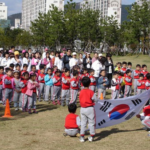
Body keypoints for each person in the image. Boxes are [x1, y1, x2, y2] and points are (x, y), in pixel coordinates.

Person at [79, 77, 97, 142]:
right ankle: (91, 136)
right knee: (91, 122)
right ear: (89, 83)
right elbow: (95, 99)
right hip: (90, 108)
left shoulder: (81, 91)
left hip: (82, 108)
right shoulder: (91, 92)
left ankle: (82, 136)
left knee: (83, 123)